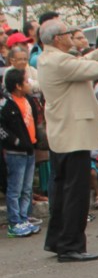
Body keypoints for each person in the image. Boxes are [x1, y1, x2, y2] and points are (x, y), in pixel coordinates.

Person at [37, 18, 98, 262]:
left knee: (64, 192)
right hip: (72, 136)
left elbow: (84, 62)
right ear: (57, 38)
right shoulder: (58, 60)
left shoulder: (50, 58)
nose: (71, 36)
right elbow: (97, 68)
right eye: (67, 33)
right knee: (75, 193)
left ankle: (59, 241)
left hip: (64, 134)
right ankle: (71, 245)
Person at [1, 67, 42, 237]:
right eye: (26, 81)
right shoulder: (6, 105)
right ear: (18, 85)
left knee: (26, 188)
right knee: (15, 188)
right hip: (15, 153)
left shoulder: (29, 101)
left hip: (29, 150)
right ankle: (14, 222)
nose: (29, 84)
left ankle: (24, 217)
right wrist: (15, 141)